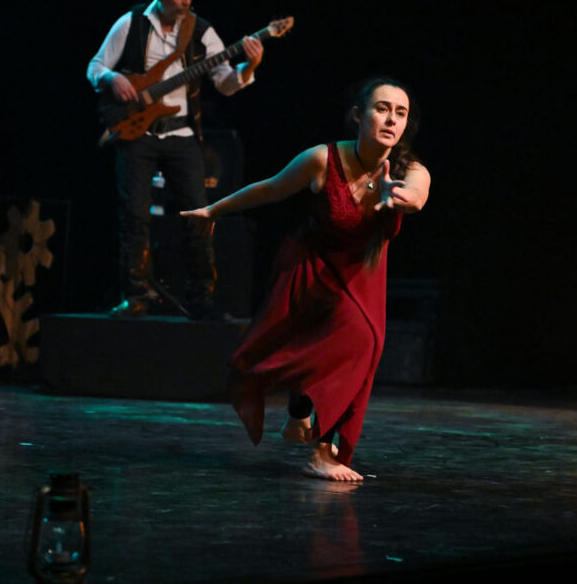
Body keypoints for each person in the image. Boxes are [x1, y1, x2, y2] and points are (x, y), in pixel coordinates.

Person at [182, 79, 430, 481]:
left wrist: (399, 197)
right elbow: (270, 189)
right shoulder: (322, 159)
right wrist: (214, 210)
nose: (391, 119)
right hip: (310, 263)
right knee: (305, 343)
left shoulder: (410, 170)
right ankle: (304, 421)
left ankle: (322, 448)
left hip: (362, 272)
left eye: (400, 113)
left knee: (363, 343)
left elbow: (417, 196)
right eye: (382, 108)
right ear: (359, 115)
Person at [87, 0, 265, 319]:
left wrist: (248, 68)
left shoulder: (200, 30)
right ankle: (136, 296)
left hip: (182, 135)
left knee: (199, 215)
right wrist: (111, 79)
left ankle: (202, 300)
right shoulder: (131, 22)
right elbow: (95, 67)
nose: (186, 2)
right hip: (139, 132)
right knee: (134, 216)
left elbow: (225, 84)